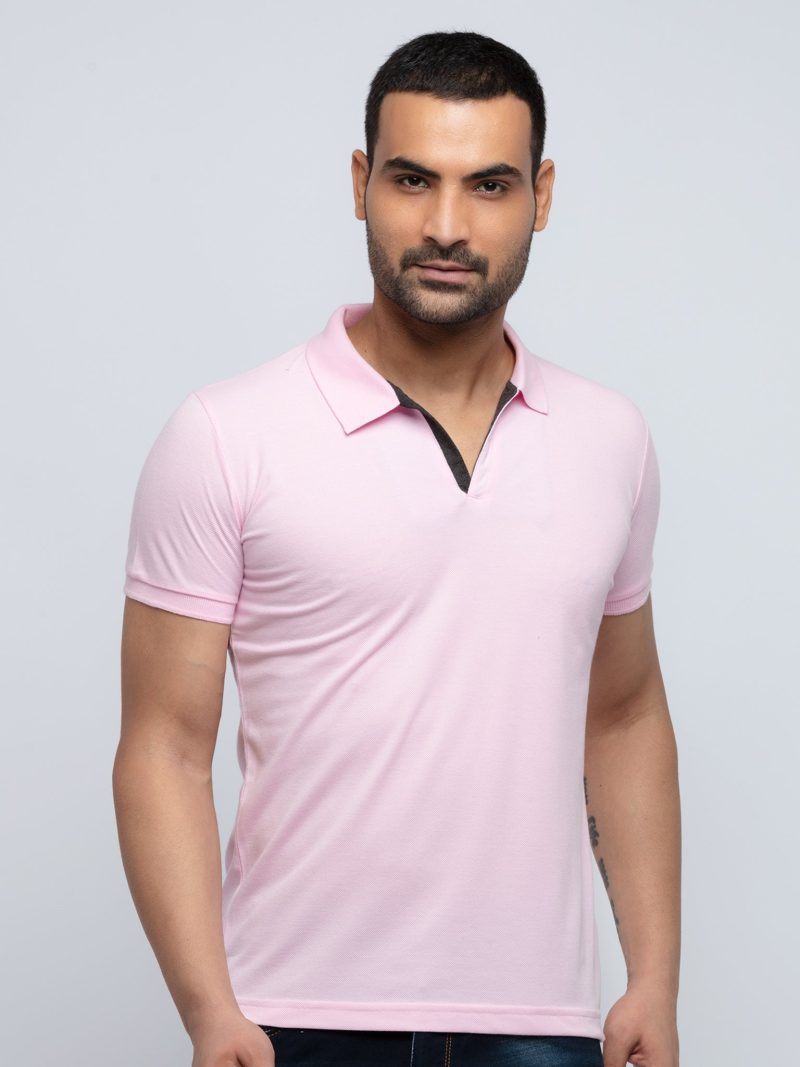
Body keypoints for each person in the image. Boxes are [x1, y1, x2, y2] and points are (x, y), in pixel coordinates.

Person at [114, 29, 681, 1067]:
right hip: (292, 1016)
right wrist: (208, 1008)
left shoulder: (611, 440)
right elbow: (163, 746)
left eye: (489, 185)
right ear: (360, 183)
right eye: (412, 179)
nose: (446, 226)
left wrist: (653, 978)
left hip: (542, 1028)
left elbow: (625, 710)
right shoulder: (227, 434)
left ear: (541, 195)